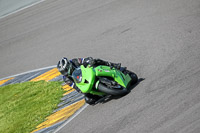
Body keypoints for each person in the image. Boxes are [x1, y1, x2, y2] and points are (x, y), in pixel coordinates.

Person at [57, 57, 121, 104]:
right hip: (83, 82)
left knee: (96, 61)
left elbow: (85, 60)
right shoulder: (66, 79)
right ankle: (101, 93)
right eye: (62, 72)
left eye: (65, 70)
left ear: (69, 65)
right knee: (89, 100)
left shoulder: (75, 61)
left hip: (88, 72)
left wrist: (89, 61)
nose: (65, 72)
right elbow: (76, 87)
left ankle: (113, 65)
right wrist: (82, 90)